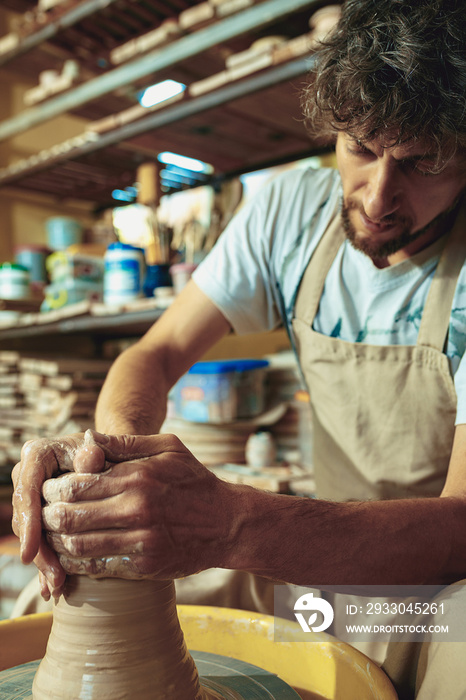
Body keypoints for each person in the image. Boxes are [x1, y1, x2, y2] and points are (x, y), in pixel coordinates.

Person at [11, 0, 466, 696]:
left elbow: (457, 529)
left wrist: (231, 524)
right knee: (58, 598)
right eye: (363, 150)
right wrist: (112, 470)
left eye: (421, 161)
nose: (378, 197)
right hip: (317, 561)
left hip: (431, 589)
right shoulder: (291, 210)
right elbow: (155, 354)